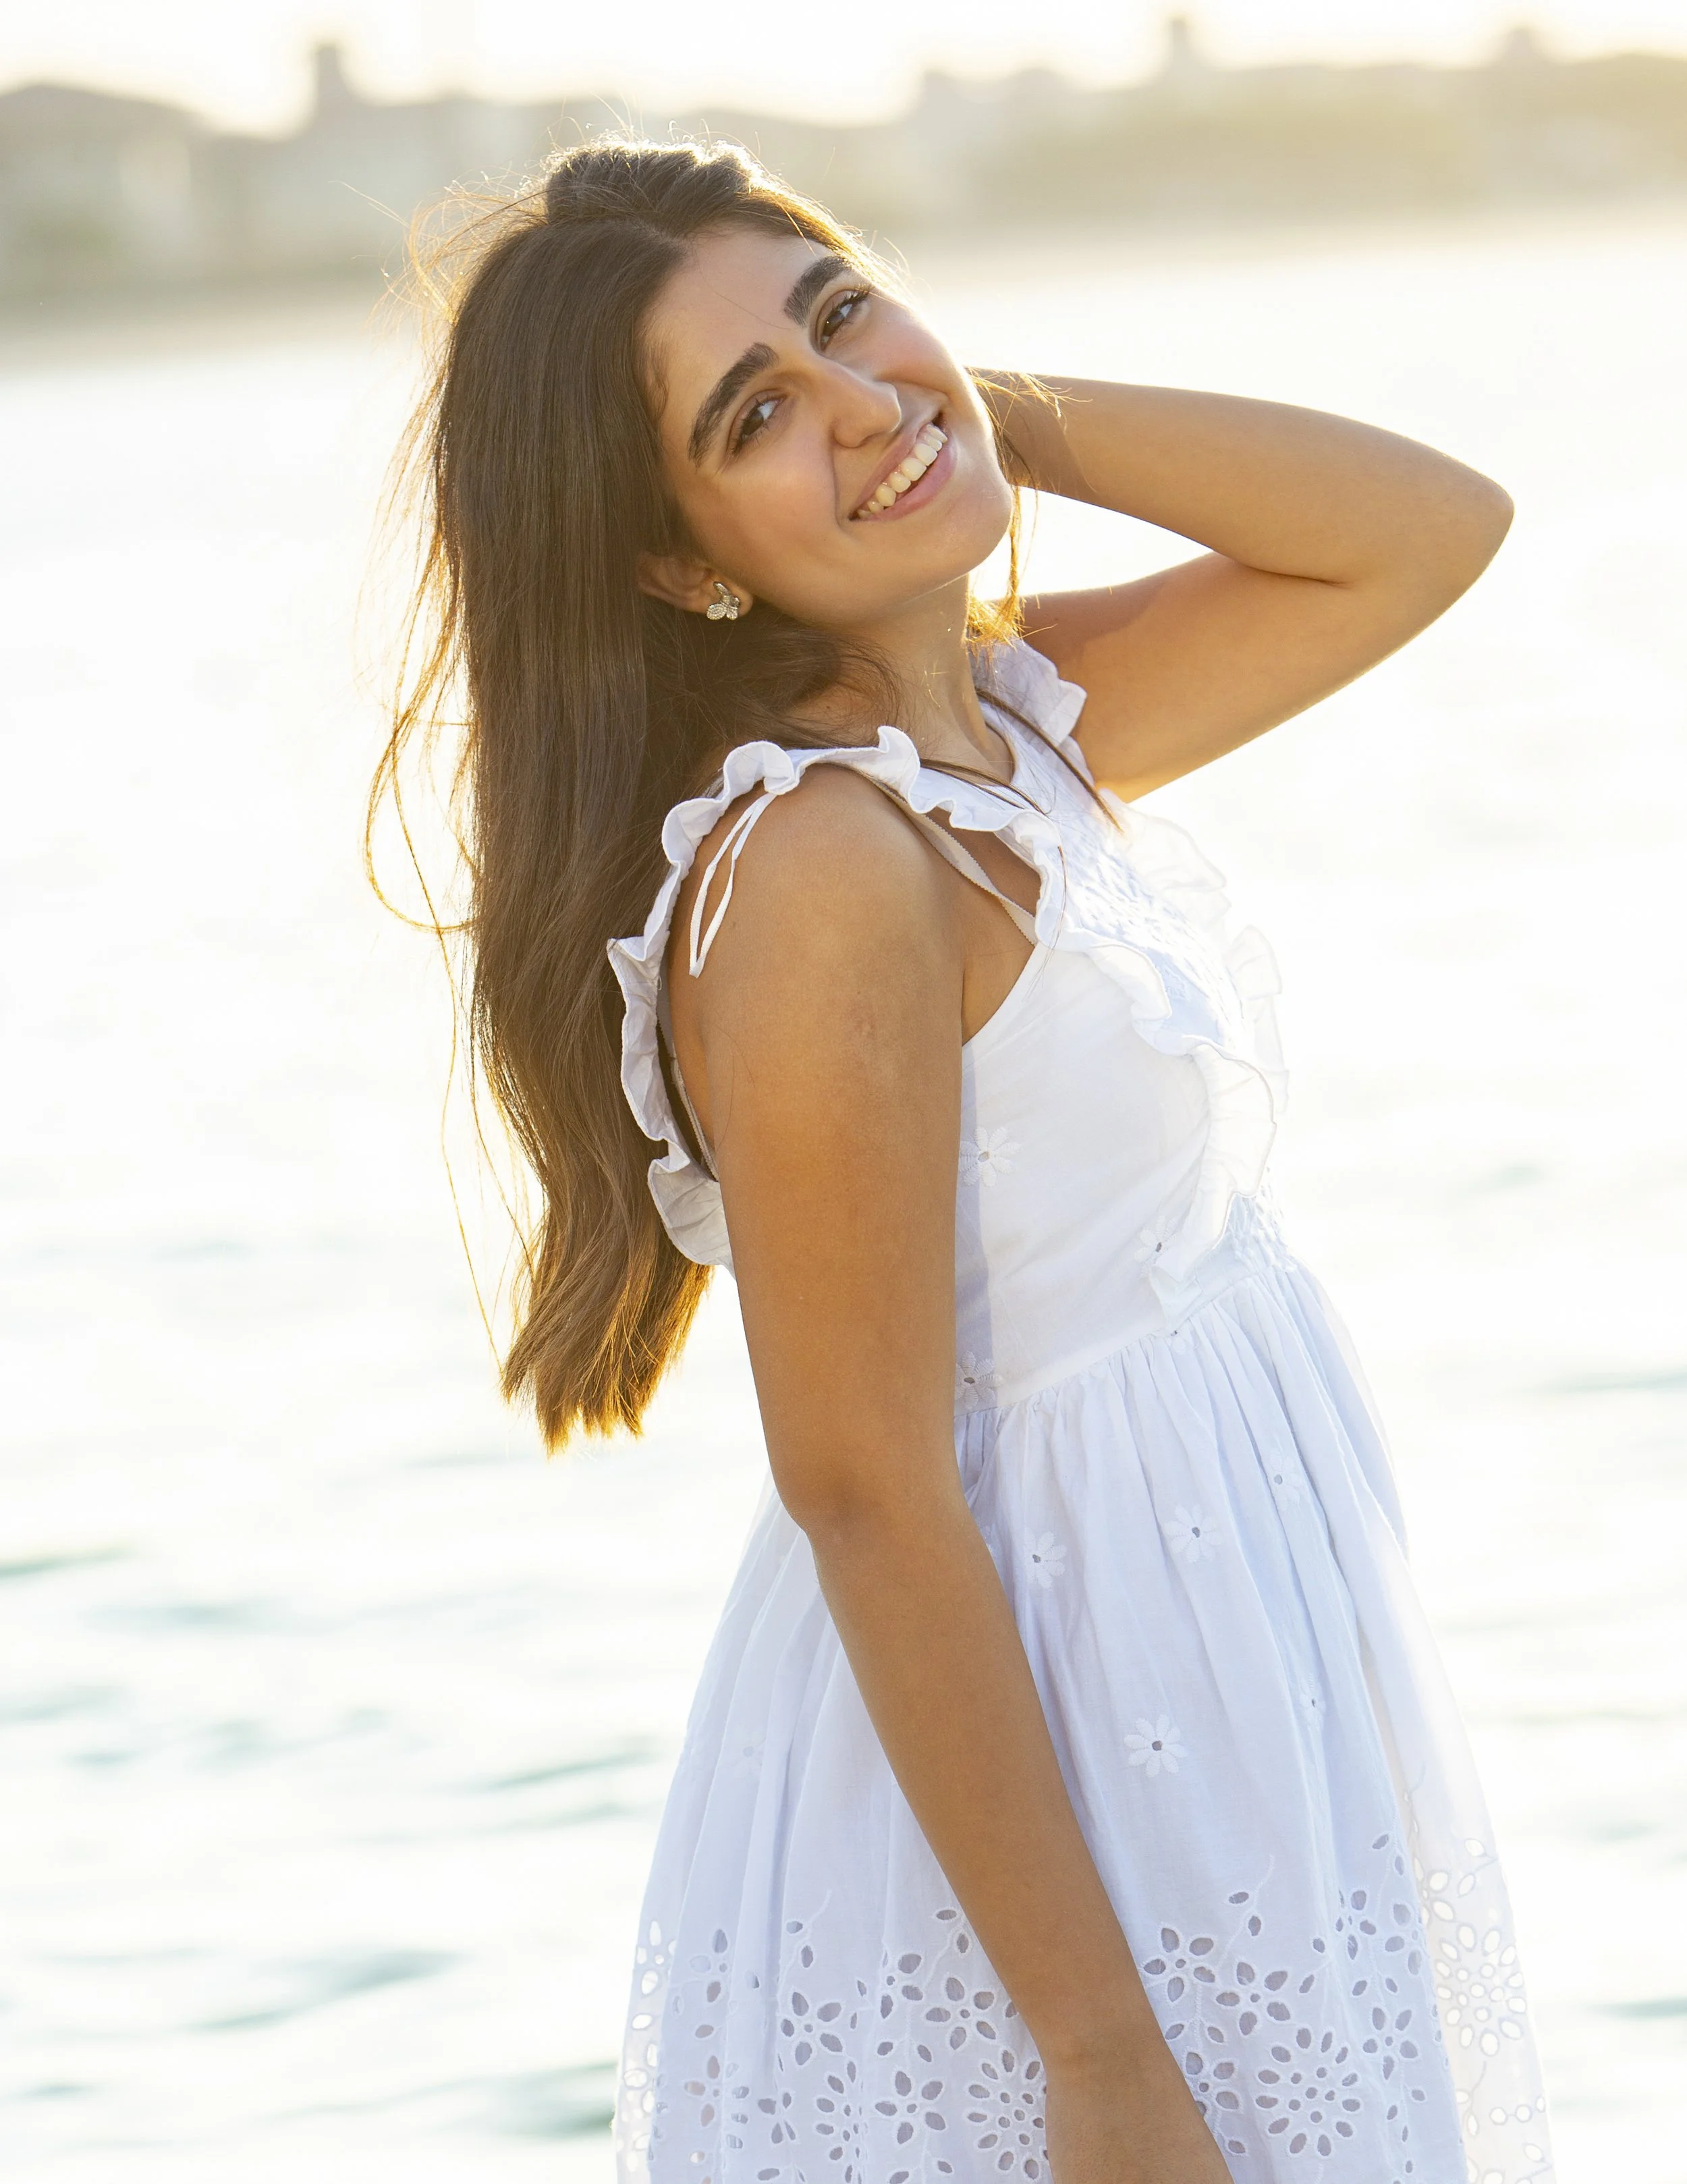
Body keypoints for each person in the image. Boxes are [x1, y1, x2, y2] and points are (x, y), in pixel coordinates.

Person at [378, 139, 1554, 2184]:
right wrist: (1095, 2058)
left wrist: (929, 411)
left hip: (1216, 1670)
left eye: (836, 310)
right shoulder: (832, 864)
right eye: (750, 420)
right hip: (1053, 1768)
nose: (840, 400)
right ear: (672, 559)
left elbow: (1423, 529)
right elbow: (858, 1484)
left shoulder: (1012, 734)